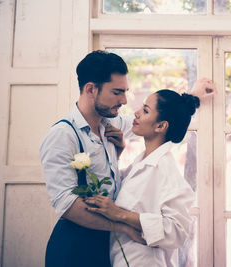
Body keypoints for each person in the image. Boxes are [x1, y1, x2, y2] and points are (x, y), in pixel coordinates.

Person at [39, 50, 215, 267]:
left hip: (108, 246)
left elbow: (159, 120)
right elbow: (66, 205)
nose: (124, 100)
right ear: (91, 89)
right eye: (117, 92)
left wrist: (191, 99)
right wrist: (123, 224)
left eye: (125, 92)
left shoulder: (110, 126)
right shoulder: (61, 136)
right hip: (75, 246)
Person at [85, 89, 200, 266]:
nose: (136, 113)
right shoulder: (142, 161)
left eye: (146, 110)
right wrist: (117, 153)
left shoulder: (165, 170)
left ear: (161, 126)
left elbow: (177, 232)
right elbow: (116, 190)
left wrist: (120, 214)